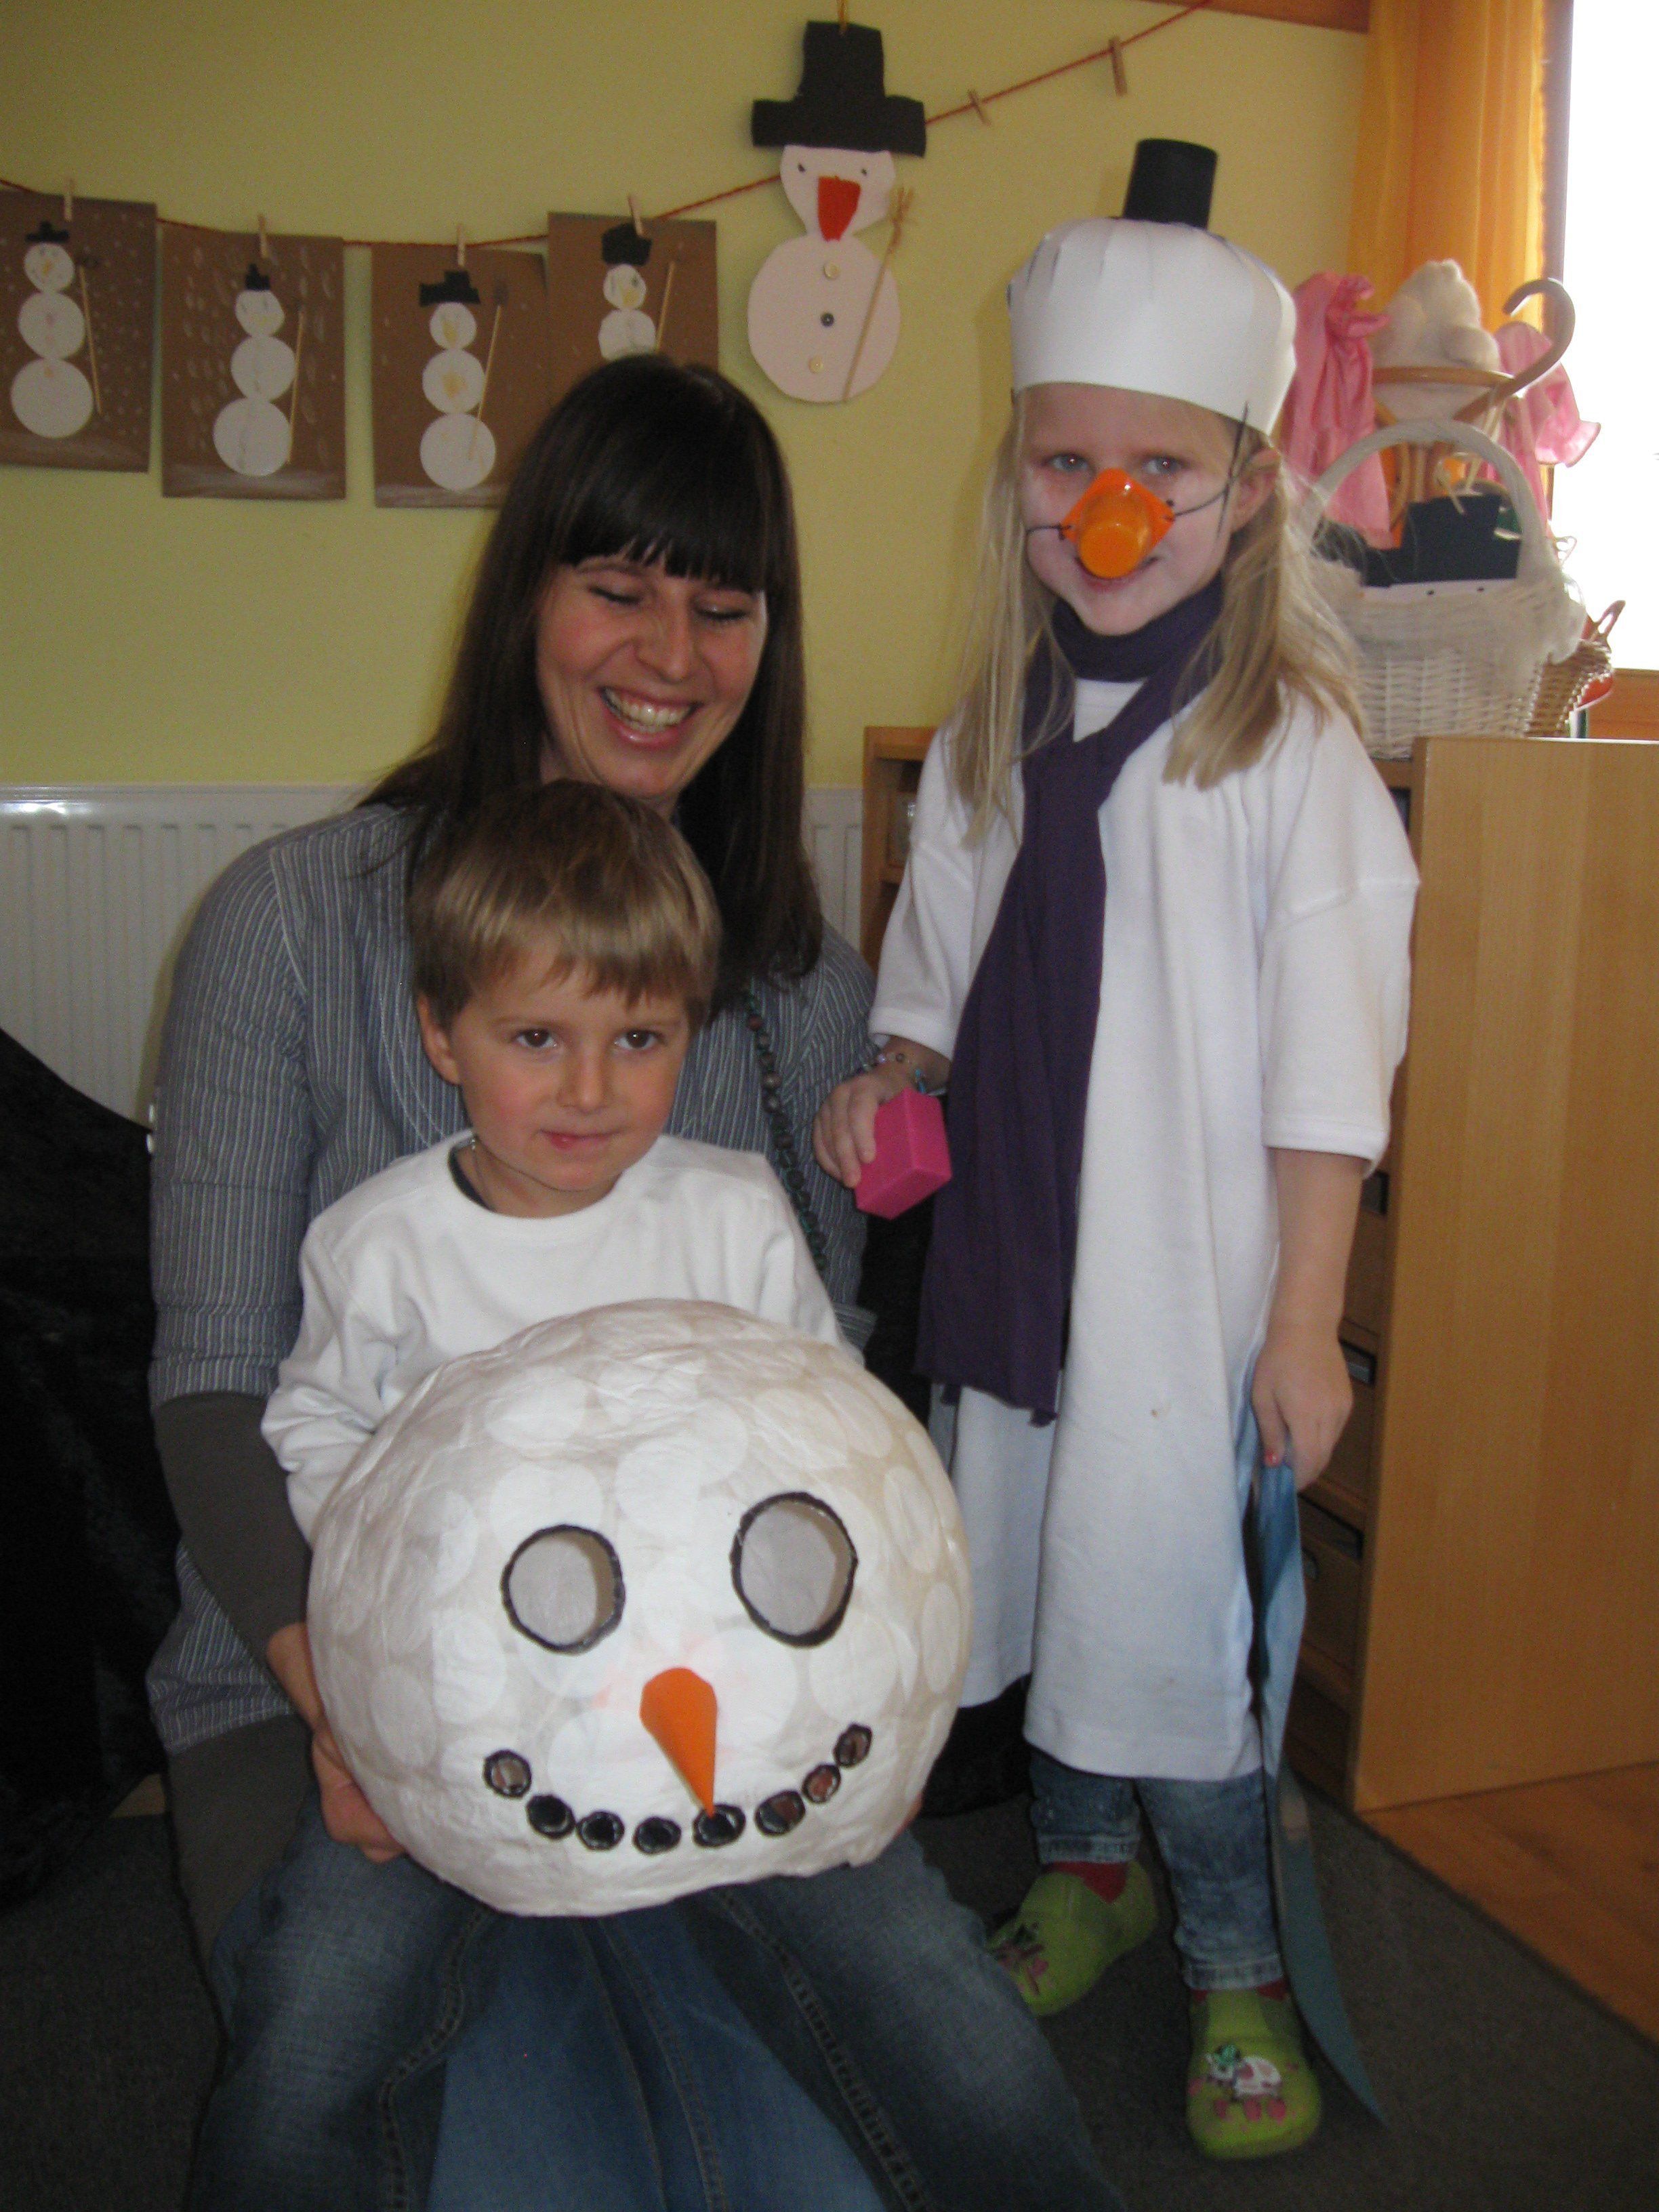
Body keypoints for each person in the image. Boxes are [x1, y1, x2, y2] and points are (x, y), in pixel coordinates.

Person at [148, 354, 1123, 2211]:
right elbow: (212, 1387)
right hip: (330, 1663)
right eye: (617, 587)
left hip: (702, 1681)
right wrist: (344, 1697)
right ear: (527, 593)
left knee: (921, 2044)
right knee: (368, 2075)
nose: (671, 654)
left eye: (724, 605)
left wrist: (867, 1691)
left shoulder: (795, 992)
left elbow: (816, 1421)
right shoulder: (290, 923)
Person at [815, 182, 1417, 2162]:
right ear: (1019, 483)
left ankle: (1238, 1960)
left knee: (1166, 1628)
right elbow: (938, 969)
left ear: (1247, 493)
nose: (1110, 507)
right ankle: (1088, 1877)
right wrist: (893, 1077)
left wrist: (1305, 1326)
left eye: (1159, 467)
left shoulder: (1287, 751)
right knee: (1046, 1586)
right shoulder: (991, 732)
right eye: (1066, 462)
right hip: (1019, 1270)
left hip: (1180, 1295)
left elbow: (1331, 1078)